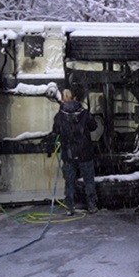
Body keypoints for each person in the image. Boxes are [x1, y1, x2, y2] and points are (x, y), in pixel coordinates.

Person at [49, 87, 98, 215]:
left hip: (69, 153)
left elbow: (56, 131)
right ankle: (92, 205)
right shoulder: (85, 113)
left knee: (69, 181)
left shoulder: (60, 116)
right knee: (89, 180)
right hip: (85, 152)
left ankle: (70, 206)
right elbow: (94, 127)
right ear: (75, 98)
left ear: (63, 100)